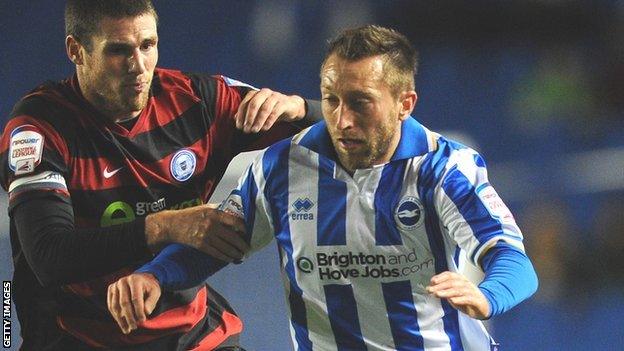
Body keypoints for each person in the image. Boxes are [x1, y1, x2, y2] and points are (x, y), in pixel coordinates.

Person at [108, 25, 539, 350]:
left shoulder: (444, 168)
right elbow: (216, 239)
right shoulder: (281, 167)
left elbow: (513, 259)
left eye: (360, 102)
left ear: (405, 103)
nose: (341, 119)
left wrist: (485, 296)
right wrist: (154, 276)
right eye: (331, 100)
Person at [0, 0, 323, 350]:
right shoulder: (39, 128)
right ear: (76, 50)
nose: (138, 66)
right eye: (118, 50)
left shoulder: (197, 102)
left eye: (147, 46)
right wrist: (165, 226)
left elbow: (348, 132)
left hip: (193, 334)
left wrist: (300, 108)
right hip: (79, 336)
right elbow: (50, 257)